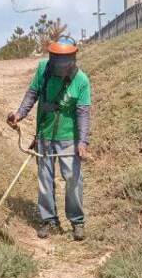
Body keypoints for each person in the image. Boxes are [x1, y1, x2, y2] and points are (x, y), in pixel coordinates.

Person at [6, 35, 92, 240]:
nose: (60, 65)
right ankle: (50, 221)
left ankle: (77, 222)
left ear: (73, 58)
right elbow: (32, 94)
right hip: (44, 135)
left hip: (68, 138)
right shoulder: (43, 69)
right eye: (57, 59)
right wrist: (19, 114)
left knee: (72, 180)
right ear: (52, 57)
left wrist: (82, 142)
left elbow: (83, 113)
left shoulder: (81, 80)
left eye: (64, 60)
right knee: (45, 179)